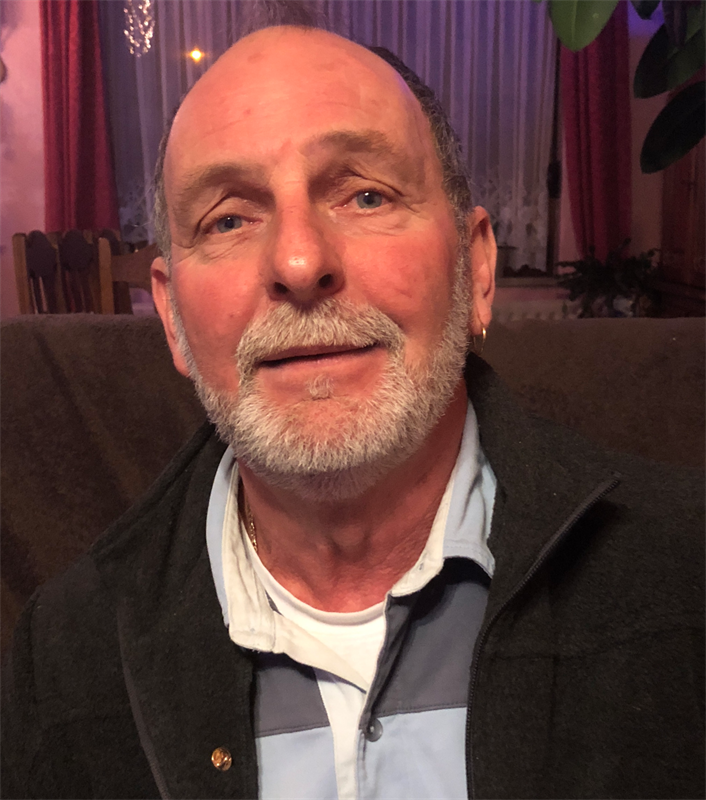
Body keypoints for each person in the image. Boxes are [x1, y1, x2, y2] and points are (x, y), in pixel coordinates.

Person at [2, 22, 705, 800]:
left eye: (366, 195)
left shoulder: (685, 577)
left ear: (475, 268)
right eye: (229, 219)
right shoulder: (65, 655)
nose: (300, 263)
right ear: (172, 320)